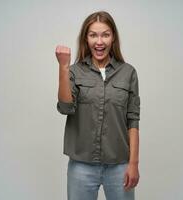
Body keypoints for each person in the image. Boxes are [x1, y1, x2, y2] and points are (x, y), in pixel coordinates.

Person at [55, 10, 141, 200]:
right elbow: (65, 108)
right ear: (86, 39)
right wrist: (63, 67)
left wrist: (133, 163)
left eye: (105, 35)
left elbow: (132, 120)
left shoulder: (128, 73)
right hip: (81, 165)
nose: (99, 41)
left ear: (113, 39)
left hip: (119, 165)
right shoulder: (75, 72)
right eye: (93, 35)